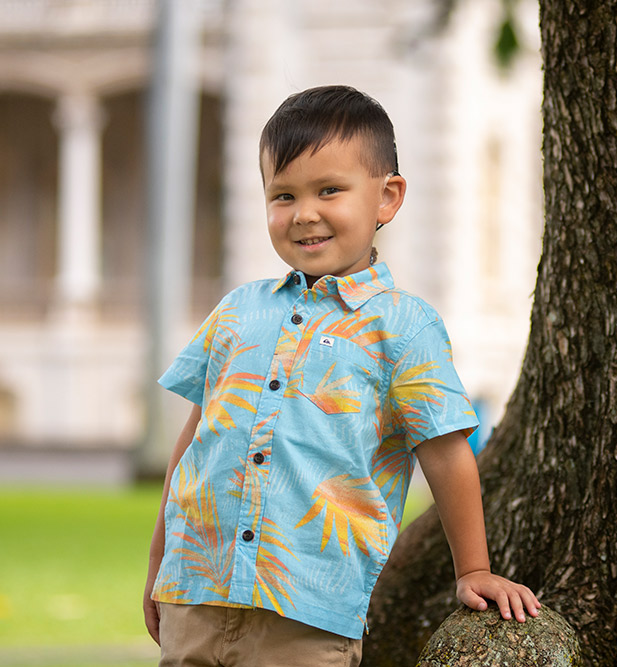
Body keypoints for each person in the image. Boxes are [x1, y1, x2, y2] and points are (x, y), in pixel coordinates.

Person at [143, 85, 540, 667]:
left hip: (309, 612)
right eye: (283, 195)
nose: (304, 213)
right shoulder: (237, 311)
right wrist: (159, 562)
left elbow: (447, 451)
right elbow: (196, 442)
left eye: (329, 190)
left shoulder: (403, 327)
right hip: (196, 594)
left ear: (387, 197)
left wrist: (473, 568)